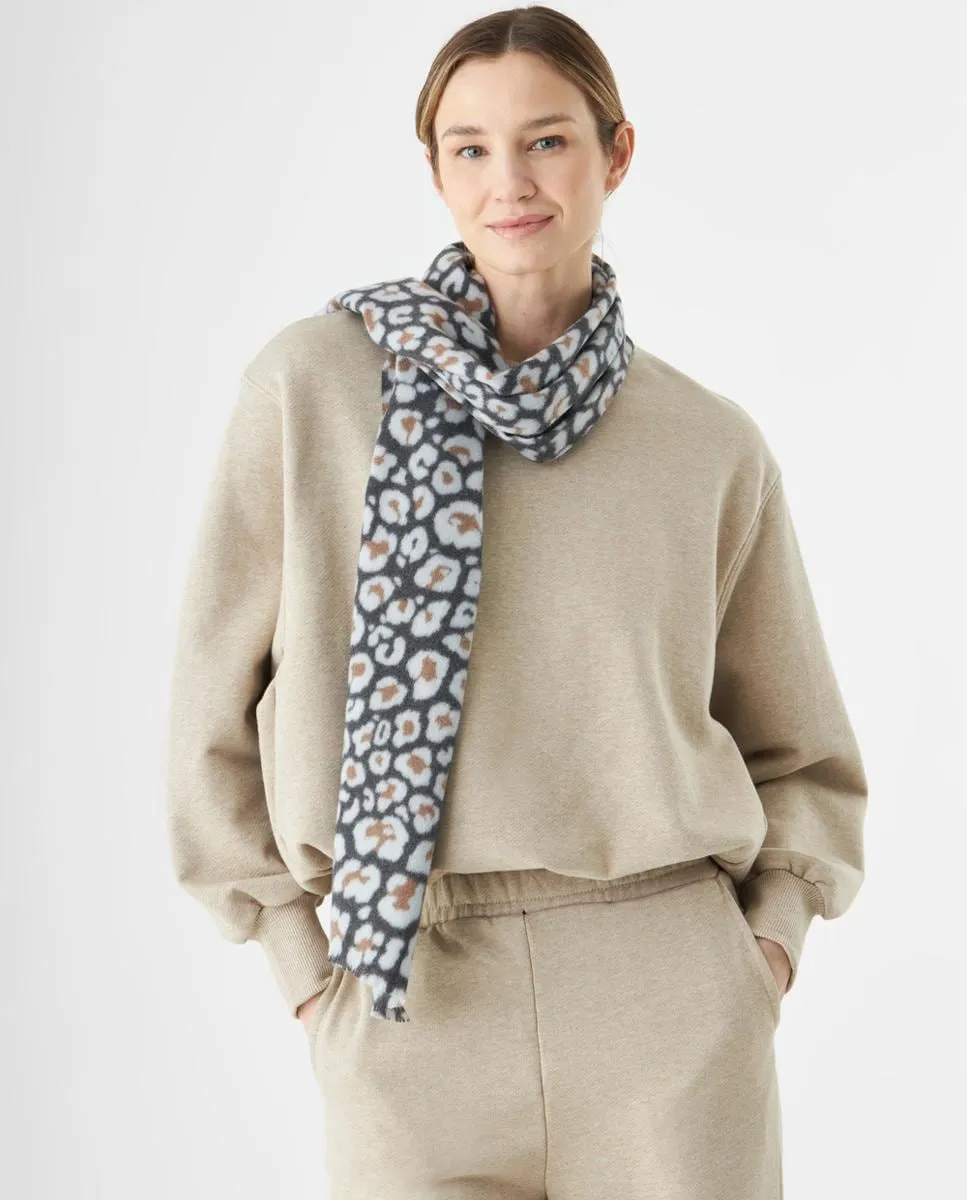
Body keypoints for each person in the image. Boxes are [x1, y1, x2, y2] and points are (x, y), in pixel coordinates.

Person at [164, 5, 867, 1196]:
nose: (510, 183)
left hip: (665, 997)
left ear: (615, 153)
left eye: (546, 140)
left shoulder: (707, 444)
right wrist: (303, 971)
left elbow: (802, 753)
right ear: (435, 171)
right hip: (407, 993)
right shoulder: (312, 391)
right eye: (470, 148)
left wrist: (762, 956)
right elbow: (210, 707)